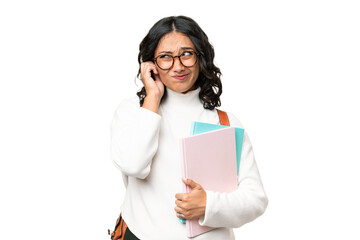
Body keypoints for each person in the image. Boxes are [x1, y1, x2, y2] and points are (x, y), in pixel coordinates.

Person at [110, 15, 268, 240]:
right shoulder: (134, 112)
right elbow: (133, 165)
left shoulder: (225, 122)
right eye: (165, 57)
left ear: (200, 57)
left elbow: (255, 200)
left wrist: (209, 205)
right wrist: (152, 98)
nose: (178, 66)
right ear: (151, 63)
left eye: (186, 54)